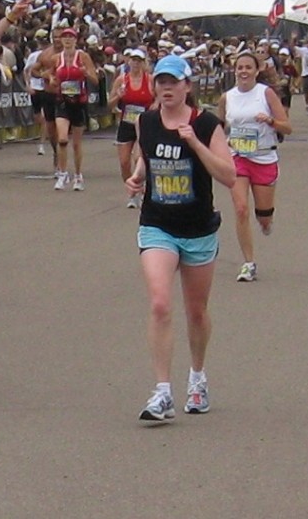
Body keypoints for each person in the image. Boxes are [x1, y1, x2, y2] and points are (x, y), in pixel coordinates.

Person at [125, 55, 236, 421]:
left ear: (188, 86)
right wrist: (139, 176)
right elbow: (148, 154)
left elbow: (229, 176)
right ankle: (161, 393)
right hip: (157, 223)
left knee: (197, 311)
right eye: (161, 82)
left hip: (198, 229)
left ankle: (198, 378)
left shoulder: (206, 124)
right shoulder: (146, 121)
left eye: (173, 82)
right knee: (160, 303)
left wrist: (196, 145)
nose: (166, 88)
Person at [217, 50, 291, 282]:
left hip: (264, 157)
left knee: (263, 216)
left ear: (257, 70)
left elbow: (287, 127)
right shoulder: (226, 97)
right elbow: (219, 128)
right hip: (238, 157)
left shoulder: (266, 94)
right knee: (240, 209)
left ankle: (266, 221)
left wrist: (270, 120)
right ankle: (248, 263)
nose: (244, 71)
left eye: (248, 67)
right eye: (240, 67)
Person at [38, 27, 100, 191]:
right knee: (63, 139)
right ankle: (62, 173)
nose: (66, 40)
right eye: (64, 37)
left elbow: (95, 80)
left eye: (70, 37)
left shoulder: (83, 57)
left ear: (75, 40)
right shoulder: (56, 58)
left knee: (77, 144)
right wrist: (52, 79)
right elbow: (47, 73)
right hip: (62, 102)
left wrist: (85, 73)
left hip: (79, 102)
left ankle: (78, 176)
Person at [109, 47, 155, 209]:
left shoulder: (150, 80)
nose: (135, 63)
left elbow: (158, 100)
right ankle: (132, 190)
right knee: (124, 162)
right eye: (133, 60)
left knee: (139, 158)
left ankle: (141, 191)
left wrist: (151, 113)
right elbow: (110, 104)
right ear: (128, 61)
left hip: (144, 124)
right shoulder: (121, 80)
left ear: (143, 63)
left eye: (138, 60)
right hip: (126, 123)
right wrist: (118, 97)